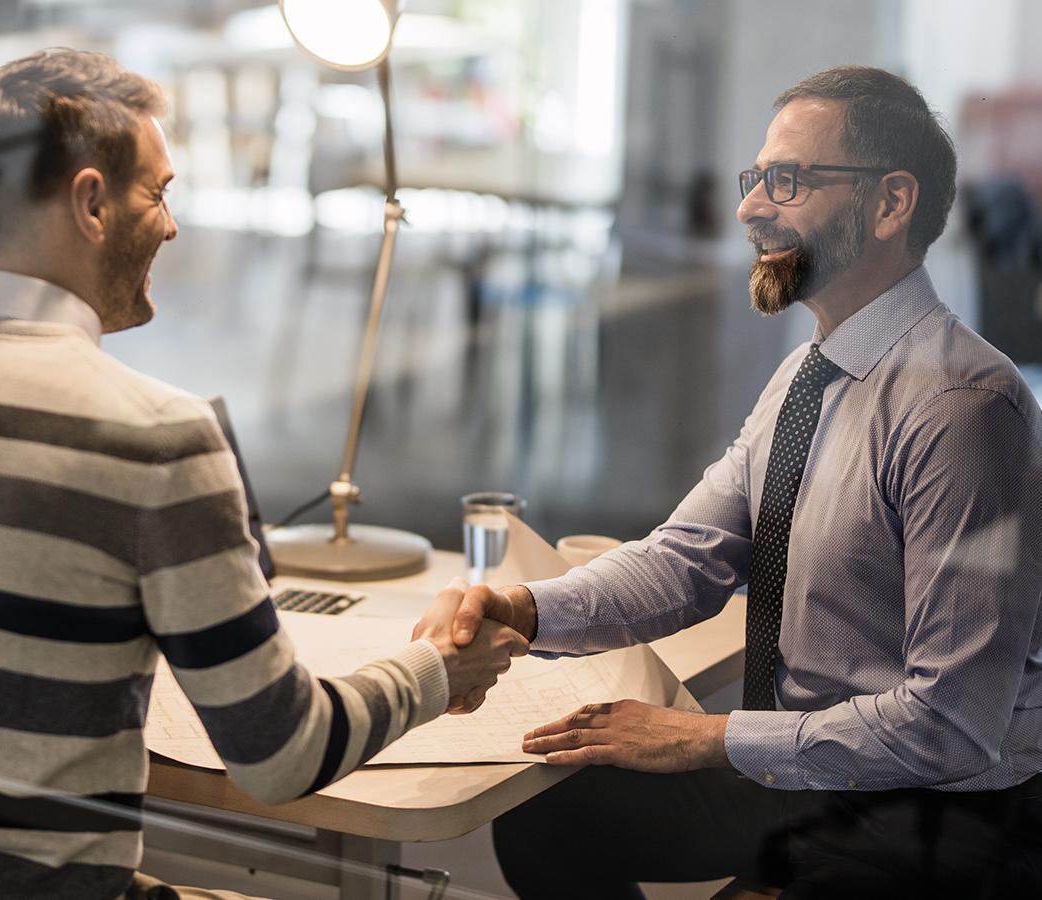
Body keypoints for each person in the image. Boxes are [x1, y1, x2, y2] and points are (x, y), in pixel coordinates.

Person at [0, 48, 527, 900]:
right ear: (92, 202)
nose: (170, 227)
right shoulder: (161, 437)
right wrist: (436, 670)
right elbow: (280, 755)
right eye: (159, 192)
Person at [441, 65, 1042, 898]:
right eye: (755, 178)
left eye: (786, 180)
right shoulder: (808, 375)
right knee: (549, 817)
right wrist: (524, 609)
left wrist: (706, 738)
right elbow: (685, 559)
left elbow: (950, 725)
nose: (749, 208)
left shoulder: (964, 407)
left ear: (890, 204)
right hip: (802, 771)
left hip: (937, 807)